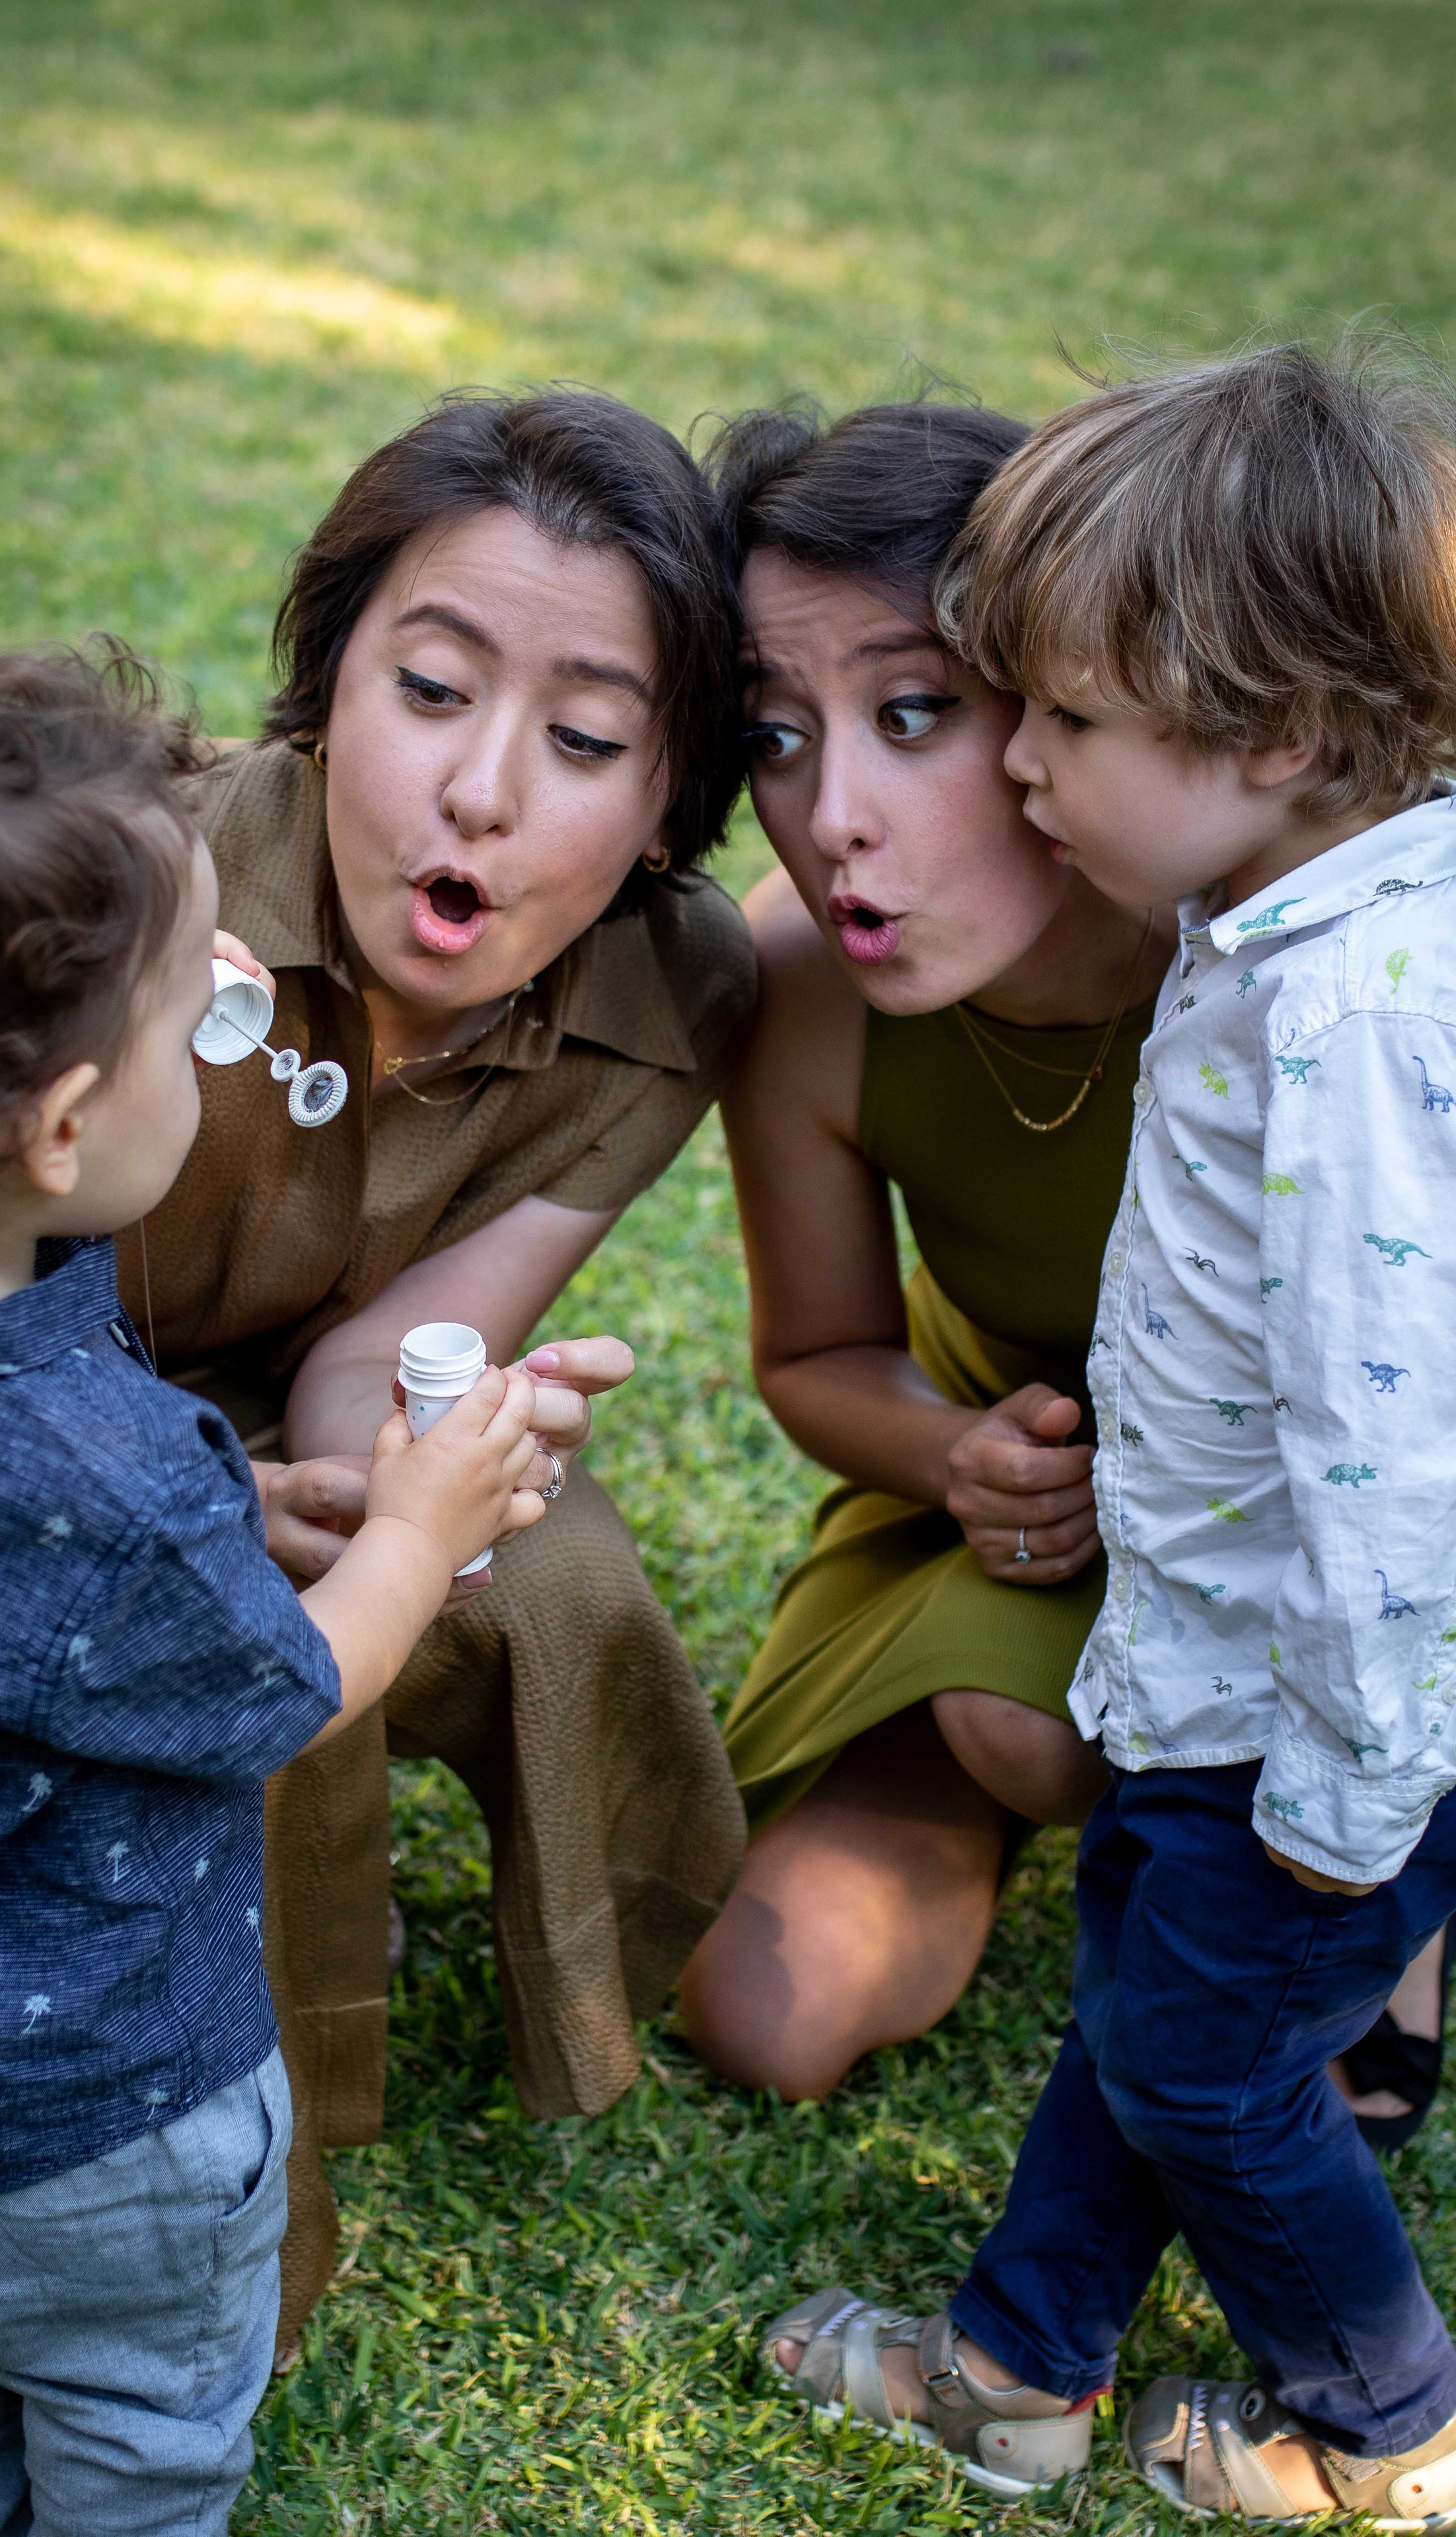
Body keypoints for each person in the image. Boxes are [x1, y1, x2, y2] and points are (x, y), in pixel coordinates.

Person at [763, 344, 1456, 2519]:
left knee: (1202, 2055)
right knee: (1141, 2014)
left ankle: (1386, 2422)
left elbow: (1392, 1445)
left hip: (1310, 1712)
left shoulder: (1351, 1017)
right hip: (1201, 1654)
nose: (1030, 763)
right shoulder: (1269, 940)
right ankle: (1013, 2368)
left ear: (1278, 737)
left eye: (1053, 715)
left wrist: (1352, 1794)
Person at [0, 650, 546, 2532]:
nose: (232, 1014)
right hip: (97, 2132)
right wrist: (418, 1533)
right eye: (198, 994)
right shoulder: (100, 1501)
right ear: (54, 1129)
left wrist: (222, 1503)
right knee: (137, 2440)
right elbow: (293, 1683)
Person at [118, 390, 757, 2349]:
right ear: (328, 686)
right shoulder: (137, 885)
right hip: (4, 1402)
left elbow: (407, 1332)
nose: (481, 790)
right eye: (430, 690)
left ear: (666, 798)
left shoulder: (677, 984)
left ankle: (589, 1971)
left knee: (528, 1560)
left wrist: (408, 1457)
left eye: (579, 743)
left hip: (290, 1404)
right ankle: (231, 2045)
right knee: (199, 1588)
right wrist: (183, 1497)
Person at [677, 397, 1162, 2103]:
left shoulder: (1271, 951)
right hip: (1020, 1509)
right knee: (763, 2012)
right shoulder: (799, 975)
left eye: (911, 714)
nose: (833, 816)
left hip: (1348, 1524)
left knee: (1036, 1732)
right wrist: (966, 1461)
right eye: (779, 736)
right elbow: (812, 1357)